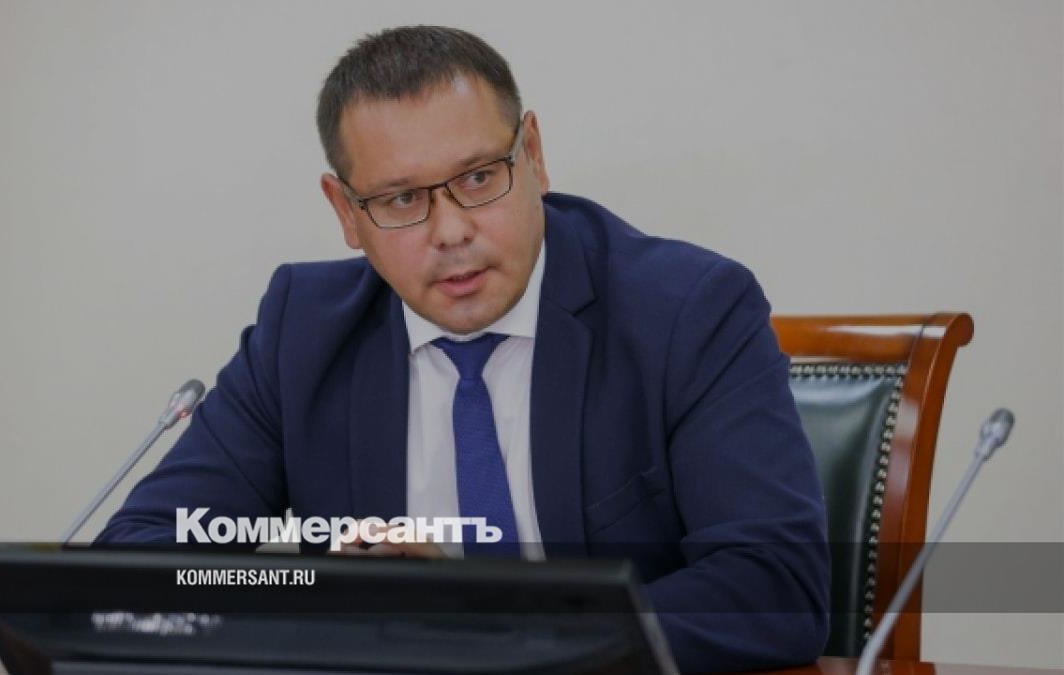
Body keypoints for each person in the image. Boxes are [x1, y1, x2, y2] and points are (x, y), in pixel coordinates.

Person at [96, 25, 830, 672]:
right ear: (346, 212)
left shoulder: (685, 311)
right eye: (401, 199)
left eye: (479, 178)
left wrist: (491, 621)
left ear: (533, 155)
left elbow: (775, 585)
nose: (451, 232)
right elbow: (141, 557)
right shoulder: (304, 334)